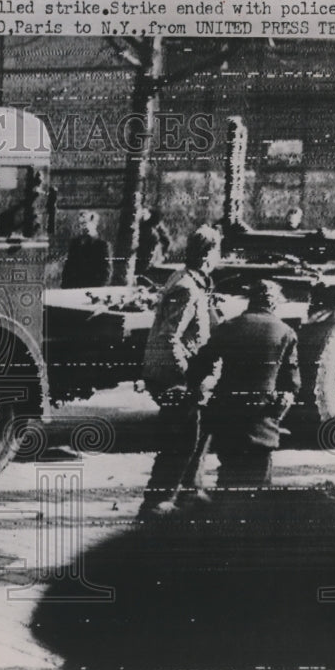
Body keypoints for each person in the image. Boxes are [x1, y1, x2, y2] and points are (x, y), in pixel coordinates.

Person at [137, 224, 223, 518]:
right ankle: (155, 505)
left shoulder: (191, 282)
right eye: (218, 251)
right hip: (173, 379)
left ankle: (187, 496)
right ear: (209, 254)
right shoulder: (187, 287)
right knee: (180, 443)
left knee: (194, 438)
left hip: (176, 376)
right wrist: (187, 378)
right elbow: (168, 338)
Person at [191, 280, 301, 488]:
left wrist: (197, 392)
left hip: (227, 413)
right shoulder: (286, 333)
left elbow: (202, 363)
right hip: (262, 418)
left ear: (250, 300)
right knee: (258, 479)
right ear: (274, 304)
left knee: (228, 474)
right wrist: (278, 412)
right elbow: (292, 384)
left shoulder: (229, 326)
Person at [61, 210, 112, 289]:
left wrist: (96, 290)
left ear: (94, 224)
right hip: (74, 289)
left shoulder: (102, 245)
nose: (83, 227)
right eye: (81, 224)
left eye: (86, 223)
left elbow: (105, 273)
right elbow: (68, 269)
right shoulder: (75, 243)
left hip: (93, 288)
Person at [133, 206, 172, 276]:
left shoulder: (157, 227)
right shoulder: (143, 226)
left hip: (150, 258)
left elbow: (167, 241)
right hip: (142, 257)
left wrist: (164, 254)